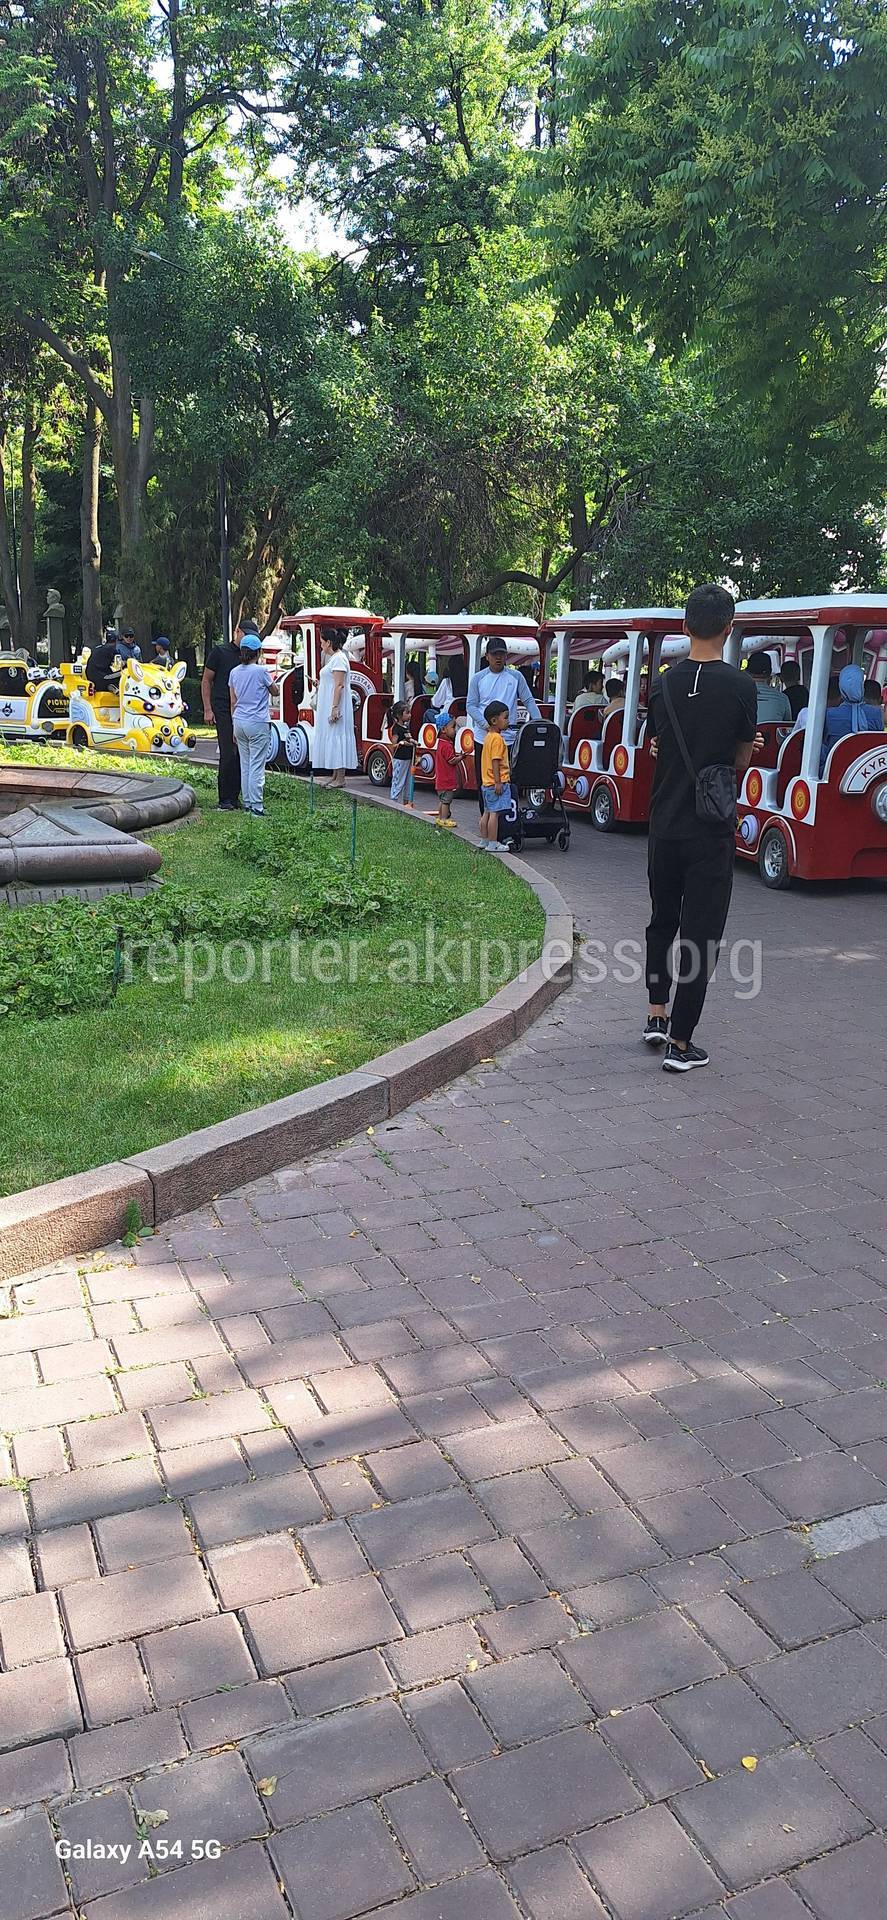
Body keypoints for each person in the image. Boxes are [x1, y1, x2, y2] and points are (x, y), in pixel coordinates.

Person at [644, 583, 758, 1072]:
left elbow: (657, 747)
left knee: (661, 922)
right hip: (710, 830)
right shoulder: (741, 687)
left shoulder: (662, 684)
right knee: (701, 934)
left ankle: (655, 1013)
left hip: (663, 825)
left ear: (684, 626)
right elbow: (739, 757)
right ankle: (682, 1043)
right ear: (729, 628)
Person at [467, 638, 540, 841]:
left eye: (502, 654)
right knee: (486, 784)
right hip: (484, 739)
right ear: (487, 656)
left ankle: (505, 828)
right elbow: (471, 705)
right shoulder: (478, 678)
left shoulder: (515, 676)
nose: (499, 658)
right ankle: (487, 830)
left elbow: (527, 699)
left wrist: (538, 720)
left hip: (508, 739)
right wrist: (485, 724)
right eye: (495, 654)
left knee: (506, 783)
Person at [229, 630, 272, 815]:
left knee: (245, 765)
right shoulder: (262, 671)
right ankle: (257, 806)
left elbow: (233, 701)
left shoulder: (234, 672)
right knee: (257, 765)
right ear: (258, 652)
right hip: (258, 722)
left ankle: (247, 803)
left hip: (239, 721)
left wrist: (233, 725)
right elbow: (275, 691)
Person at [202, 627, 242, 811]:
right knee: (227, 752)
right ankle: (224, 798)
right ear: (237, 632)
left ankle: (235, 796)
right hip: (222, 707)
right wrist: (208, 709)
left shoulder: (248, 654)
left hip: (241, 709)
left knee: (240, 754)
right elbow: (206, 680)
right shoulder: (220, 652)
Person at [313, 627, 358, 789]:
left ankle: (341, 778)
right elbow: (333, 682)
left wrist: (334, 707)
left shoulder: (339, 659)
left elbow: (339, 685)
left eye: (321, 642)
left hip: (336, 705)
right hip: (330, 702)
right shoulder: (334, 658)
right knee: (333, 737)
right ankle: (335, 775)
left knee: (337, 737)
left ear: (329, 642)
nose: (320, 645)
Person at [820, 664, 884, 771]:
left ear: (841, 688)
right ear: (861, 687)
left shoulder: (829, 714)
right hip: (868, 769)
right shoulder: (877, 713)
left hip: (834, 771)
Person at [479, 702, 511, 848]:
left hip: (486, 783)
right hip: (496, 782)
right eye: (505, 717)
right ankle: (493, 843)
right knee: (495, 814)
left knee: (486, 812)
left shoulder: (488, 737)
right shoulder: (498, 739)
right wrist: (498, 782)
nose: (508, 721)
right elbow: (495, 761)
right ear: (494, 720)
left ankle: (484, 840)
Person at [746, 649, 792, 723]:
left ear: (747, 672)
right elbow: (786, 727)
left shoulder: (738, 696)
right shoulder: (782, 698)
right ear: (769, 673)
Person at [434, 716, 462, 826]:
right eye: (453, 727)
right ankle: (444, 819)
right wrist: (460, 758)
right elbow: (451, 760)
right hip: (447, 780)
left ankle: (440, 818)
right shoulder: (447, 745)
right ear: (443, 729)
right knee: (446, 802)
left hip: (441, 781)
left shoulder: (441, 743)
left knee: (442, 801)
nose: (455, 730)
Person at [386, 700, 415, 806]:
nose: (410, 715)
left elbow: (410, 739)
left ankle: (407, 802)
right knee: (398, 781)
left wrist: (413, 743)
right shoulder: (396, 729)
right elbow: (393, 745)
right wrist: (401, 743)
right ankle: (393, 801)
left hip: (408, 758)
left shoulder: (405, 728)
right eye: (407, 713)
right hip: (400, 759)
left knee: (408, 781)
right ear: (399, 714)